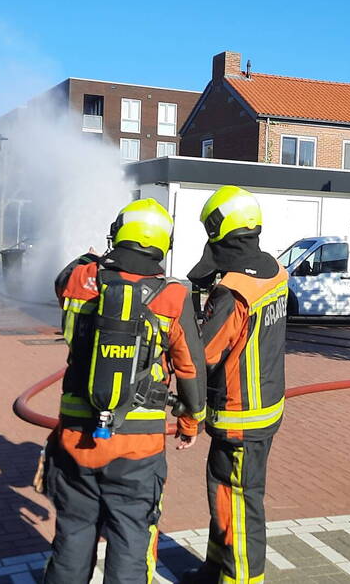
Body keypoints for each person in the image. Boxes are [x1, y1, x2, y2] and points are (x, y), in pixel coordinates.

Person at [42, 198, 206, 584]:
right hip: (139, 445)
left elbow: (61, 279)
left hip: (75, 436)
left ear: (118, 234)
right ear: (162, 244)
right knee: (131, 539)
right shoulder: (173, 295)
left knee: (73, 535)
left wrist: (91, 257)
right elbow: (190, 369)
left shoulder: (80, 279)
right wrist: (190, 421)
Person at [180, 186, 288, 584]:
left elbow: (203, 353)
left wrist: (192, 310)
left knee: (239, 503)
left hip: (239, 415)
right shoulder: (274, 270)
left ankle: (241, 579)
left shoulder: (233, 292)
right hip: (267, 407)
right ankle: (216, 568)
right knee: (226, 495)